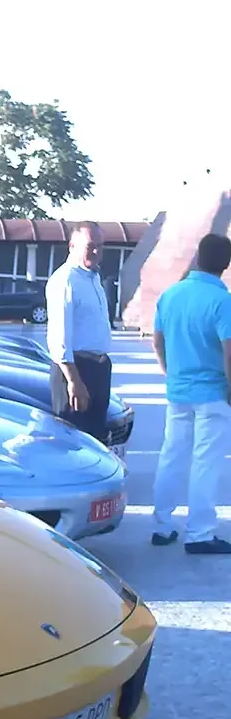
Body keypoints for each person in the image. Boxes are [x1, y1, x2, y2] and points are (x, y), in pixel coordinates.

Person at [150, 232, 231, 554]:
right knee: (205, 462)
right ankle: (199, 533)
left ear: (197, 257)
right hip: (212, 392)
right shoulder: (222, 301)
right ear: (225, 265)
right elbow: (229, 352)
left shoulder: (171, 295)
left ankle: (161, 525)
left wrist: (170, 373)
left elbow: (157, 341)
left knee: (172, 456)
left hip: (178, 391)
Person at [45, 221, 112, 442]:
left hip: (98, 369)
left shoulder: (93, 278)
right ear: (72, 246)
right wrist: (74, 381)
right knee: (73, 445)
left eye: (100, 246)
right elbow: (59, 337)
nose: (96, 251)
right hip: (76, 371)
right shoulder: (65, 281)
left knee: (95, 442)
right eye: (90, 246)